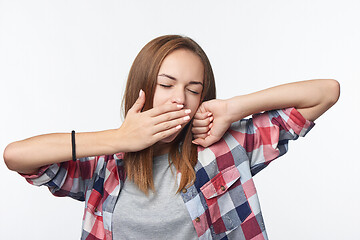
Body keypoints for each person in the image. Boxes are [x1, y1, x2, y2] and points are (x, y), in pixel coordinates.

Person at [3, 35, 340, 240]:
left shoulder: (227, 148)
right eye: (167, 85)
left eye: (193, 90)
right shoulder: (105, 165)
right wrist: (119, 139)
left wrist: (231, 108)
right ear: (143, 87)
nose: (179, 99)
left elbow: (325, 92)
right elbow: (17, 156)